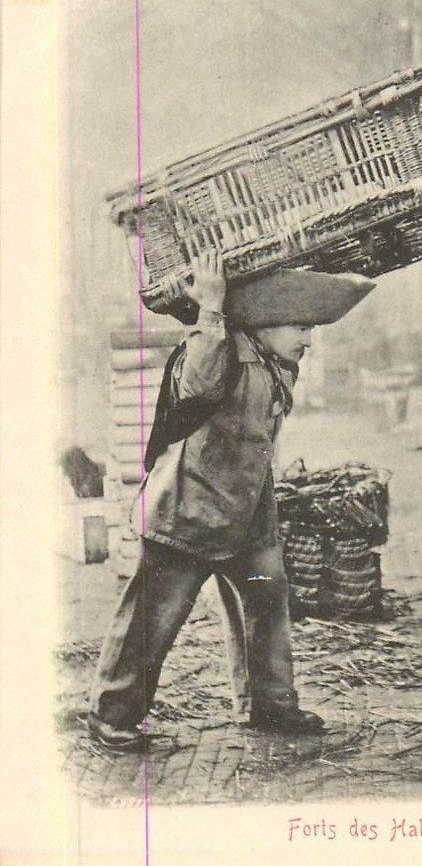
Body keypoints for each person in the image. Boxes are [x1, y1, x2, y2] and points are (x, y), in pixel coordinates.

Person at [88, 252, 374, 750]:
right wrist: (212, 310)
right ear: (263, 322)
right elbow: (196, 381)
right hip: (188, 513)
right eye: (300, 326)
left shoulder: (275, 361)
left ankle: (270, 706)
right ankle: (112, 717)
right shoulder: (218, 349)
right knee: (153, 617)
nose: (308, 339)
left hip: (247, 516)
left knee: (268, 601)